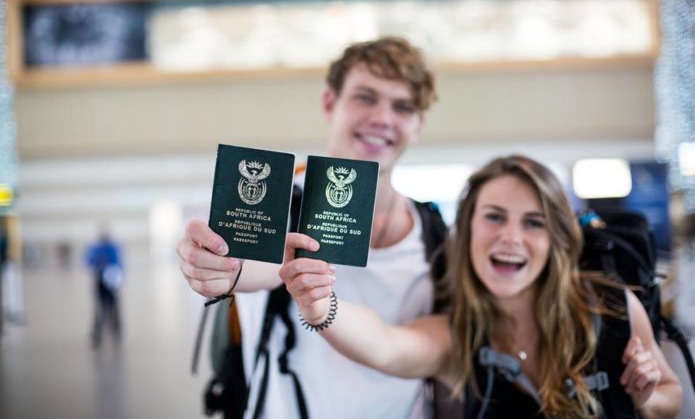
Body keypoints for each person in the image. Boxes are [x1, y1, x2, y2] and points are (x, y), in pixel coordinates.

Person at [279, 155, 684, 419]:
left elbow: (672, 395)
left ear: (556, 239)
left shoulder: (611, 305)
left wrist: (645, 396)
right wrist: (322, 307)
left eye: (533, 222)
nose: (511, 237)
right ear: (468, 229)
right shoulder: (460, 337)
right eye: (494, 217)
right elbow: (385, 344)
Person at [178, 37, 448, 418]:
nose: (383, 118)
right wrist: (221, 266)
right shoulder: (277, 205)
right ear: (329, 103)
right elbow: (256, 264)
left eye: (402, 107)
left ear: (418, 124)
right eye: (365, 97)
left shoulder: (435, 236)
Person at [86, 228, 123, 348]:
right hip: (104, 281)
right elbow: (90, 262)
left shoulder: (109, 248)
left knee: (108, 307)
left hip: (109, 281)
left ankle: (113, 330)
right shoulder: (101, 248)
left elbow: (90, 262)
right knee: (104, 307)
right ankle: (103, 332)